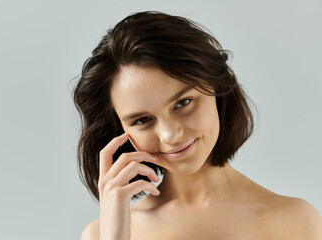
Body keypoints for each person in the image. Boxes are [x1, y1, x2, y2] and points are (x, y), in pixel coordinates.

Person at [74, 11, 322, 240]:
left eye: (183, 103)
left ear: (217, 88)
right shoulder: (101, 234)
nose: (170, 135)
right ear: (120, 131)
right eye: (142, 120)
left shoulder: (294, 221)